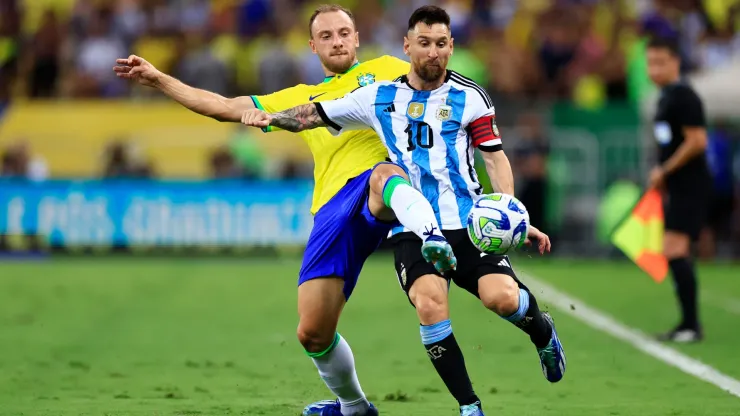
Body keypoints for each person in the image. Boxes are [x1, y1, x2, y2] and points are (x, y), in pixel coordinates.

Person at [113, 5, 457, 416]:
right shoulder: (301, 99)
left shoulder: (390, 69)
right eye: (326, 36)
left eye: (344, 32)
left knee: (382, 176)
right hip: (333, 208)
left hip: (384, 185)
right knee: (312, 332)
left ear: (358, 37)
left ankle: (433, 235)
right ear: (312, 46)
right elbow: (221, 104)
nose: (337, 41)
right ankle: (354, 407)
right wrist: (158, 79)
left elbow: (442, 81)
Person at [241, 6, 565, 416]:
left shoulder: (470, 97)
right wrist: (271, 118)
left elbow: (495, 159)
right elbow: (314, 115)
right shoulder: (379, 96)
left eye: (442, 44)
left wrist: (513, 214)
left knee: (501, 300)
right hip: (412, 229)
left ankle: (542, 332)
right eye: (425, 44)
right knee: (430, 306)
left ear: (451, 47)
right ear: (407, 46)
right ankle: (470, 407)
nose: (433, 53)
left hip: (468, 223)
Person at [646, 37, 710, 343]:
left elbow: (698, 141)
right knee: (674, 249)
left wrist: (665, 169)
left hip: (690, 185)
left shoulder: (684, 96)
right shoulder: (666, 97)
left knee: (674, 249)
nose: (653, 69)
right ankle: (687, 323)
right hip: (677, 186)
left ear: (676, 62)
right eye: (650, 63)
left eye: (660, 62)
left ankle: (691, 325)